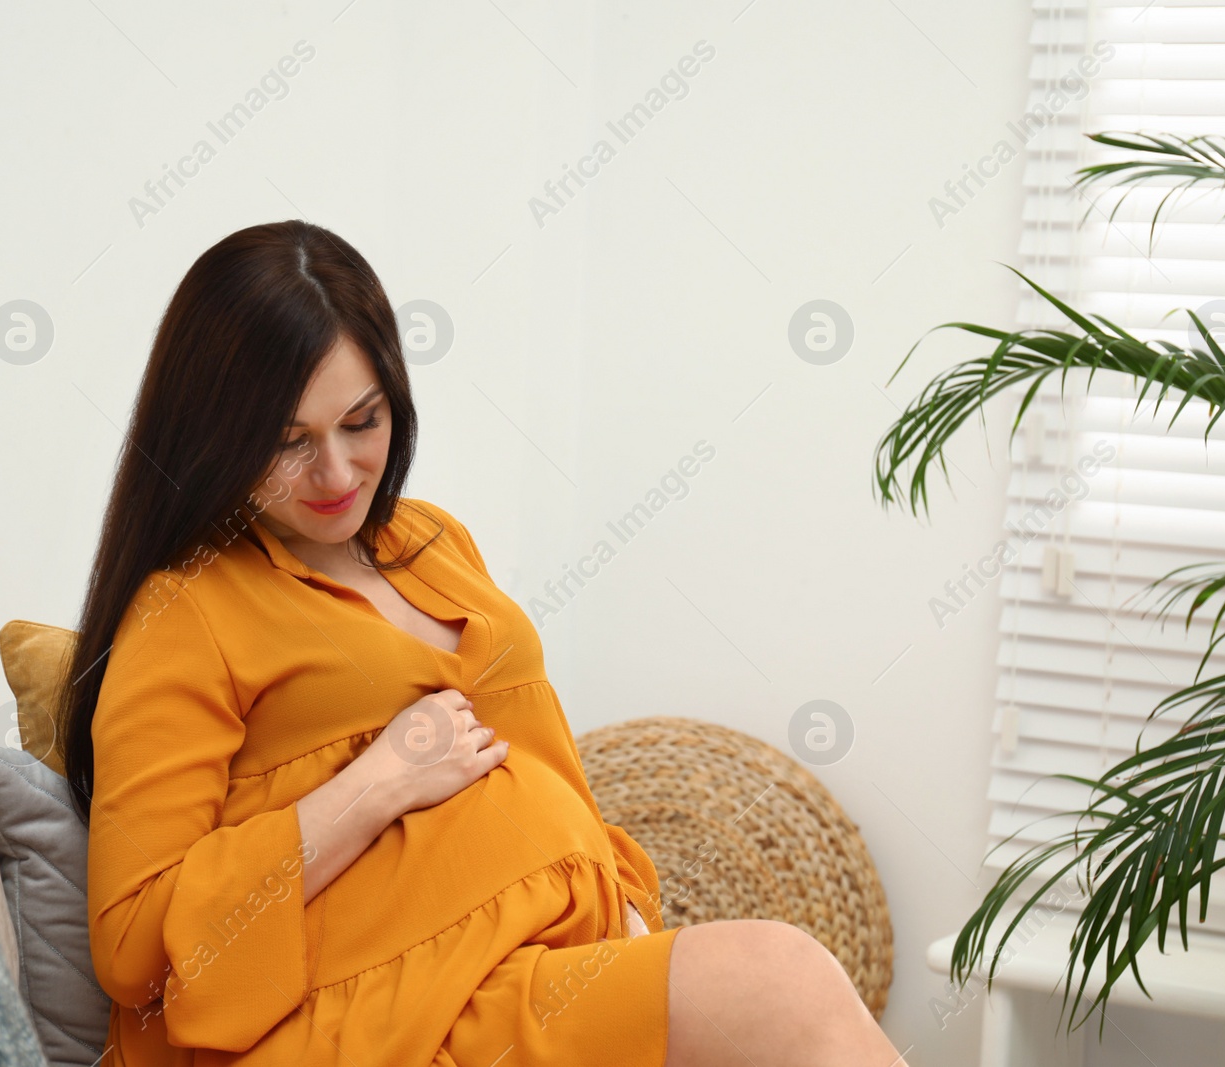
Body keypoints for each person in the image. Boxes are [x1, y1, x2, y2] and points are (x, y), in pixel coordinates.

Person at [60, 220, 907, 1066]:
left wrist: (627, 914)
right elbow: (132, 944)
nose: (336, 473)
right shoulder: (186, 609)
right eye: (288, 441)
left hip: (533, 960)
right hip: (366, 1020)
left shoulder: (432, 542)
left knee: (786, 983)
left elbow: (543, 768)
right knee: (782, 977)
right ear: (217, 435)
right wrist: (377, 783)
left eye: (362, 421)